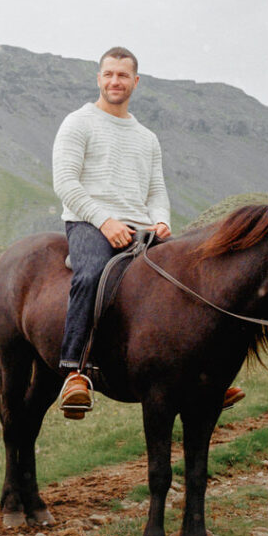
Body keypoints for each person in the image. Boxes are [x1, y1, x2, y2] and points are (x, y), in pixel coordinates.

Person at [52, 46, 245, 417]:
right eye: (109, 74)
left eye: (123, 75)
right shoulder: (78, 122)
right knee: (91, 275)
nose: (115, 81)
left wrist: (161, 222)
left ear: (135, 82)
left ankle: (204, 377)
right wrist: (104, 221)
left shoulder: (147, 138)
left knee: (189, 281)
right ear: (99, 78)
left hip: (142, 228)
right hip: (89, 222)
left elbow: (156, 191)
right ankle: (75, 371)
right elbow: (66, 182)